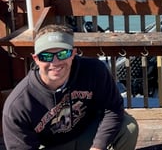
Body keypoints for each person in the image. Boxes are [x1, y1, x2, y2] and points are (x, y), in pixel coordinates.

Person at [2, 24, 139, 150]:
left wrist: (98, 146)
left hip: (86, 134)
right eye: (46, 56)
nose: (55, 62)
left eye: (62, 54)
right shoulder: (18, 105)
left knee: (128, 127)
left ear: (73, 53)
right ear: (36, 59)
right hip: (50, 145)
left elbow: (113, 109)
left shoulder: (94, 70)